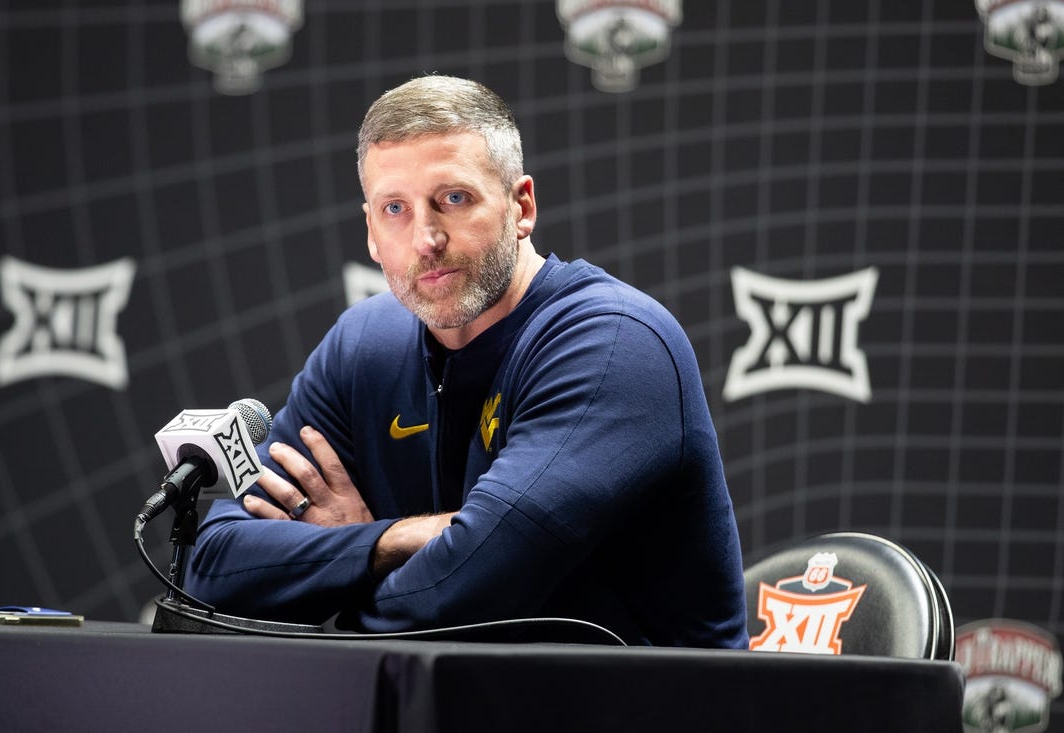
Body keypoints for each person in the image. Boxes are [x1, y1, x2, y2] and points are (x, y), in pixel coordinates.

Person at [184, 75, 747, 648]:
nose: (426, 237)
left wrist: (337, 580)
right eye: (395, 208)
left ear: (521, 205)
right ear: (372, 234)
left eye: (453, 198)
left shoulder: (614, 343)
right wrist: (388, 542)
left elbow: (461, 597)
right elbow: (211, 571)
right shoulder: (365, 345)